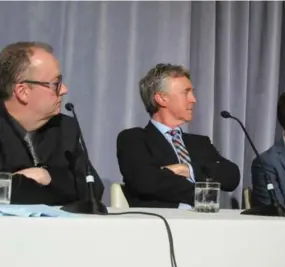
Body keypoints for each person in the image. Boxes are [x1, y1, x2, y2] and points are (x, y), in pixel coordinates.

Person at [116, 63, 240, 208]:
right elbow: (147, 182)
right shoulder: (134, 139)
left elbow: (232, 176)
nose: (193, 99)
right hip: (162, 224)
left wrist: (187, 170)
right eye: (186, 92)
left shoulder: (200, 143)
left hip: (206, 223)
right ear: (162, 99)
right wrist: (203, 190)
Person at [0, 41, 104, 205]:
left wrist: (47, 176)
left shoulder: (65, 127)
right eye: (55, 84)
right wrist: (57, 188)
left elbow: (93, 190)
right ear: (23, 91)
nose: (64, 90)